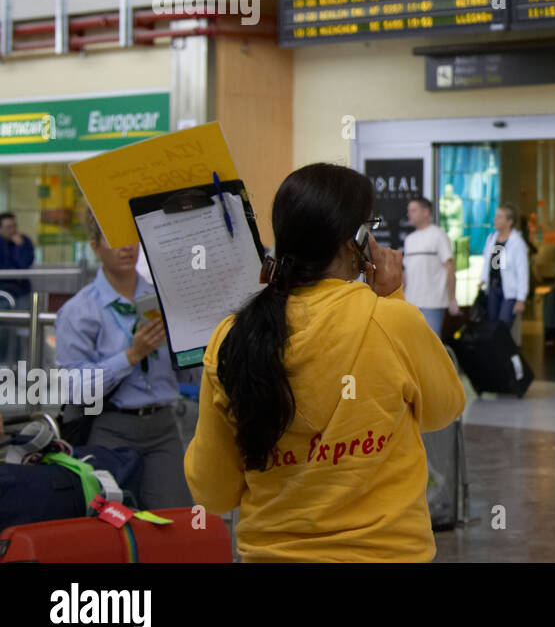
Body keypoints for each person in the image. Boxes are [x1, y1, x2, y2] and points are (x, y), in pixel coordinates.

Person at [184, 163, 465, 562]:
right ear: (357, 241)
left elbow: (212, 492)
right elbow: (444, 409)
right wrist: (393, 298)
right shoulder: (390, 320)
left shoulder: (232, 336)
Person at [54, 210, 191, 508]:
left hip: (163, 426)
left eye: (131, 240)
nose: (126, 248)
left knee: (173, 519)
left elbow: (186, 374)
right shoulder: (79, 311)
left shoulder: (164, 300)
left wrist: (194, 346)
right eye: (114, 240)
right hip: (110, 427)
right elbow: (74, 387)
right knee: (114, 524)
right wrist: (130, 356)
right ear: (94, 246)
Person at [402, 197, 459, 336]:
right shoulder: (409, 240)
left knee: (431, 348)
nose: (409, 214)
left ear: (426, 212)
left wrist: (452, 298)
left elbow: (450, 267)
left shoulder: (438, 235)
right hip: (410, 303)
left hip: (433, 303)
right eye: (409, 210)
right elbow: (406, 272)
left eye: (414, 210)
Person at [478, 202, 529, 346]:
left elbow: (522, 271)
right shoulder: (492, 239)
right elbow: (490, 263)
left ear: (509, 222)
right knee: (492, 324)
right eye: (496, 217)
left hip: (509, 292)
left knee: (503, 326)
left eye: (500, 217)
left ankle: (506, 356)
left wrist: (521, 298)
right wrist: (483, 280)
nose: (495, 220)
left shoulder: (516, 243)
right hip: (493, 288)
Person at [0, 212, 34, 308]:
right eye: (8, 227)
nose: (13, 230)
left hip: (21, 290)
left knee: (23, 318)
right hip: (2, 290)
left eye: (14, 226)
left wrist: (19, 247)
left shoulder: (24, 241)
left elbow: (25, 264)